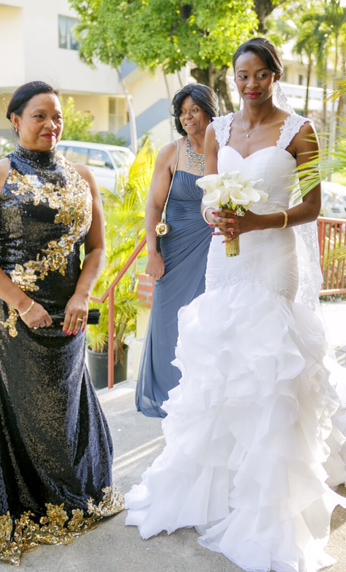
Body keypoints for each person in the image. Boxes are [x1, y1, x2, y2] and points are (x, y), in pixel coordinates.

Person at [126, 39, 346, 572]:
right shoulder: (218, 130)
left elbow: (313, 206)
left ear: (275, 76)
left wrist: (256, 222)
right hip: (224, 259)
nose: (250, 85)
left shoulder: (302, 131)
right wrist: (218, 213)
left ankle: (269, 504)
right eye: (241, 76)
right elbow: (209, 192)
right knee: (223, 358)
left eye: (260, 75)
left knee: (270, 365)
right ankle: (219, 486)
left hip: (274, 256)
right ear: (233, 79)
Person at [0, 81, 124, 565]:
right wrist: (23, 304)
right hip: (9, 312)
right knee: (19, 407)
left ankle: (66, 491)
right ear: (16, 120)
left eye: (57, 117)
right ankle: (20, 503)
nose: (51, 125)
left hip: (68, 313)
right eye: (40, 115)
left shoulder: (83, 175)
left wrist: (81, 296)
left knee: (63, 405)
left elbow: (99, 248)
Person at [136, 84, 217, 417]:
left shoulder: (224, 149)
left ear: (208, 112)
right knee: (169, 323)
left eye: (194, 110)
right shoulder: (171, 153)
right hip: (174, 250)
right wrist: (153, 252)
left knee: (207, 322)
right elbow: (154, 207)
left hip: (214, 250)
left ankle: (202, 397)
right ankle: (169, 397)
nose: (187, 117)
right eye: (183, 112)